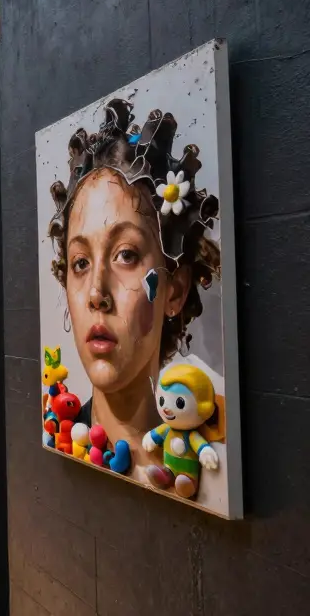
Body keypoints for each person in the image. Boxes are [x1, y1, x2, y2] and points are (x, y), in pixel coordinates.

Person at [45, 98, 221, 479]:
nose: (96, 293)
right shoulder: (66, 427)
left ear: (174, 289)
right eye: (80, 262)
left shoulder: (207, 456)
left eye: (125, 255)